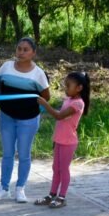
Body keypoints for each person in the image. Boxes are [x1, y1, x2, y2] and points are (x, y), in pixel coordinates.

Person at [0, 37, 50, 203]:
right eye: (19, 49)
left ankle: (20, 188)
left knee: (24, 154)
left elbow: (46, 97)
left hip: (28, 120)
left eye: (26, 49)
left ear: (33, 53)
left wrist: (35, 112)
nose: (21, 52)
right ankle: (3, 188)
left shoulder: (38, 73)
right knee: (7, 153)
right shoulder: (6, 67)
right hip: (7, 116)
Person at [35, 72, 90, 208]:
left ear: (79, 88)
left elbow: (59, 116)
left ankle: (62, 197)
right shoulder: (68, 100)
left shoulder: (78, 103)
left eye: (68, 86)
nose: (65, 88)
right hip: (59, 140)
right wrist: (55, 140)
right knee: (56, 168)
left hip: (68, 142)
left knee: (63, 169)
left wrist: (45, 104)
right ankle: (52, 194)